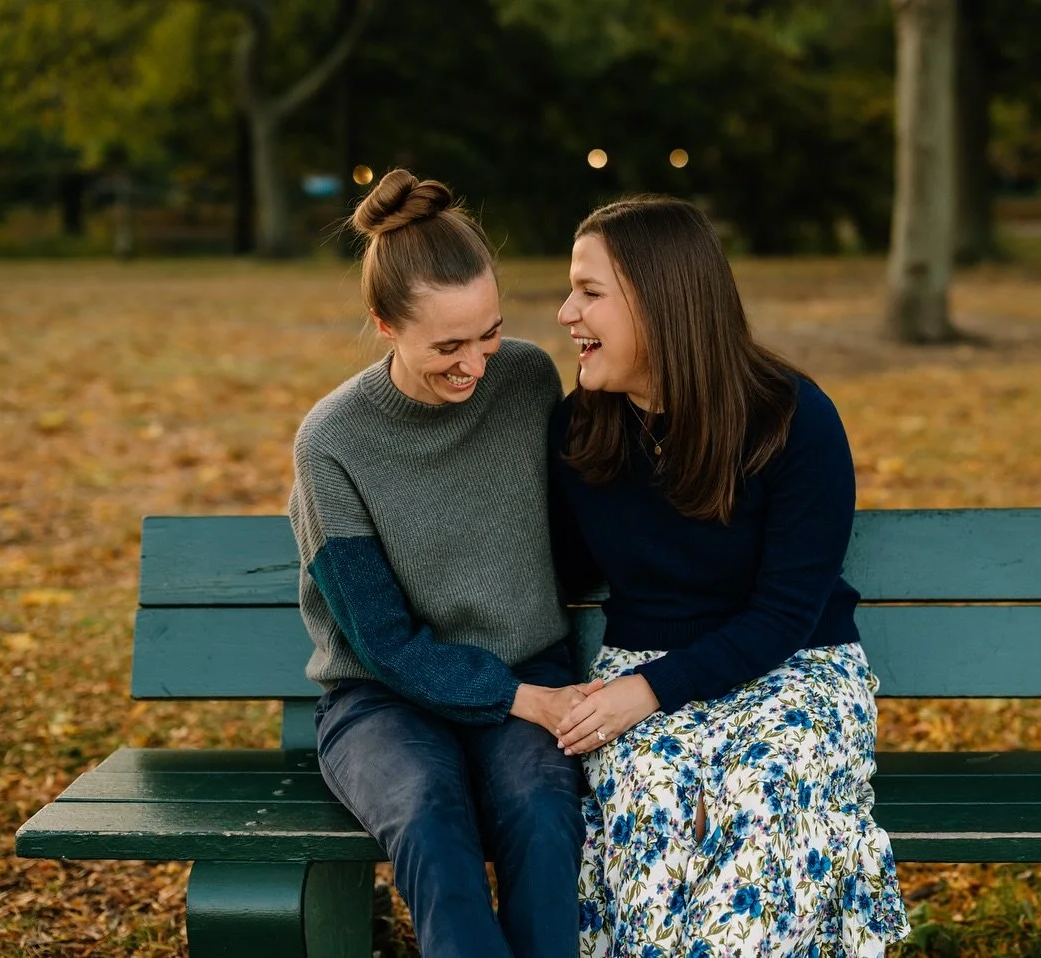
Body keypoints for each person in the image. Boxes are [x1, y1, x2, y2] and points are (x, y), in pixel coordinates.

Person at [547, 196, 911, 957]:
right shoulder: (582, 427)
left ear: (659, 298)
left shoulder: (790, 417)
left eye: (589, 291)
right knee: (651, 800)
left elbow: (784, 615)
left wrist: (643, 694)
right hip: (640, 672)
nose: (563, 313)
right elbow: (556, 566)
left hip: (795, 669)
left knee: (760, 796)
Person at [289, 169, 594, 958]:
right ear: (385, 324)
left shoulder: (527, 379)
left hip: (529, 666)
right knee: (428, 810)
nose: (476, 364)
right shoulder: (333, 442)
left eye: (488, 332)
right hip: (383, 700)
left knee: (543, 810)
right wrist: (520, 697)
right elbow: (382, 641)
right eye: (448, 346)